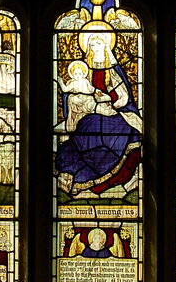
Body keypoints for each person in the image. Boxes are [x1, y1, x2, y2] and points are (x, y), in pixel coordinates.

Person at [55, 27, 142, 196]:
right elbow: (72, 93)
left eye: (98, 43)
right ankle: (89, 171)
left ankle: (104, 173)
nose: (95, 47)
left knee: (111, 126)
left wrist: (113, 101)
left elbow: (123, 95)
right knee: (89, 125)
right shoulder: (84, 71)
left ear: (105, 45)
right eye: (92, 44)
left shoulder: (113, 70)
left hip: (113, 111)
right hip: (89, 112)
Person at [57, 60, 114, 132]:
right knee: (92, 106)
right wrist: (61, 82)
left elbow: (91, 88)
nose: (78, 75)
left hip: (90, 97)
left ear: (83, 74)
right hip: (82, 100)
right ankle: (107, 113)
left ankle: (108, 112)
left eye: (79, 73)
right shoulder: (73, 83)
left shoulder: (85, 81)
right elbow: (65, 90)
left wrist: (96, 90)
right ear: (72, 75)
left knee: (100, 102)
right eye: (75, 74)